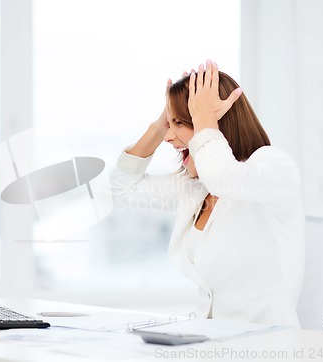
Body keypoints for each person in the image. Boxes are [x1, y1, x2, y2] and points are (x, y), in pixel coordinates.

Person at [110, 60, 305, 327]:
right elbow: (122, 188)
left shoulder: (275, 167)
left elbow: (224, 176)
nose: (169, 137)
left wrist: (203, 119)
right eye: (170, 123)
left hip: (266, 344)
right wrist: (159, 124)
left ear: (215, 123)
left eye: (180, 123)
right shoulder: (196, 188)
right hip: (211, 341)